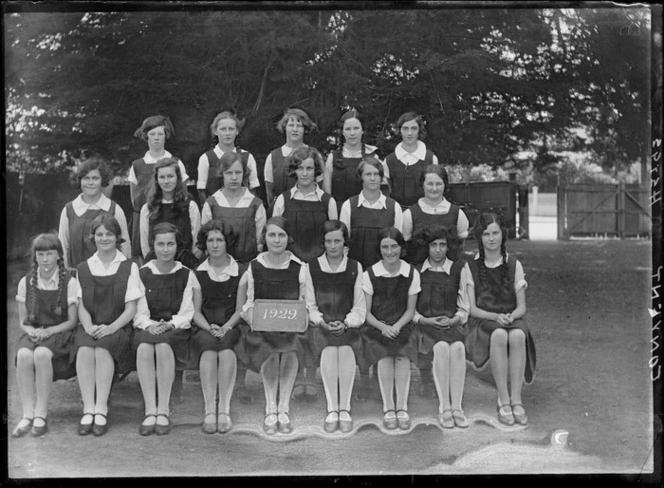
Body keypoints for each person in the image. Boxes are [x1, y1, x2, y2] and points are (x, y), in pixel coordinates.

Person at [462, 212, 536, 426]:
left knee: (517, 336)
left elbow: (522, 307)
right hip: (485, 318)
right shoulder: (471, 267)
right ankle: (503, 399)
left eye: (495, 233)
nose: (491, 238)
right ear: (480, 237)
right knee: (499, 335)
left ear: (502, 235)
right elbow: (472, 308)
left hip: (511, 316)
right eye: (486, 234)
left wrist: (510, 316)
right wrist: (495, 316)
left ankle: (516, 399)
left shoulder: (514, 264)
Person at [75, 213, 142, 436]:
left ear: (117, 237)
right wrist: (87, 326)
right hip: (91, 326)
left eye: (109, 234)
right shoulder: (84, 268)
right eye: (99, 234)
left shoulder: (128, 266)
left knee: (103, 349)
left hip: (118, 327)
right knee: (85, 349)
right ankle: (88, 409)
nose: (104, 238)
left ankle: (101, 409)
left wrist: (111, 327)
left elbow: (131, 309)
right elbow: (81, 305)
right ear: (93, 237)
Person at [240, 217, 308, 435]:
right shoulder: (254, 266)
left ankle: (284, 408)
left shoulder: (299, 267)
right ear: (264, 238)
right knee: (269, 348)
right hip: (264, 328)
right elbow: (248, 302)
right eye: (272, 235)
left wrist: (300, 319)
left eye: (281, 235)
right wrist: (253, 318)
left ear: (288, 239)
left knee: (290, 347)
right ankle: (271, 408)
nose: (277, 240)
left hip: (291, 328)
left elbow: (306, 302)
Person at [133, 222, 197, 436]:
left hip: (176, 330)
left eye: (170, 244)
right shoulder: (142, 273)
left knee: (162, 347)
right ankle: (150, 409)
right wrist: (151, 326)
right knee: (144, 348)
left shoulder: (186, 274)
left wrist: (169, 325)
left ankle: (163, 409)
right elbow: (139, 312)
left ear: (177, 246)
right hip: (148, 327)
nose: (165, 249)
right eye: (160, 244)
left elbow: (188, 311)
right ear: (153, 245)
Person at [12, 233, 78, 437]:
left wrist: (49, 331)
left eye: (50, 254)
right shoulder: (26, 282)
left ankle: (41, 413)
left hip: (59, 333)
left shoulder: (69, 281)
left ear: (58, 255)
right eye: (40, 254)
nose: (45, 259)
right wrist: (32, 331)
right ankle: (27, 414)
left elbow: (72, 321)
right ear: (35, 257)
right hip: (36, 331)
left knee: (41, 355)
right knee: (23, 355)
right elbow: (23, 321)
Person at [305, 220, 366, 433]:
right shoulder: (311, 267)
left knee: (346, 349)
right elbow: (309, 305)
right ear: (323, 243)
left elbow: (360, 306)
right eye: (328, 241)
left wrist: (347, 323)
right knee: (330, 349)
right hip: (321, 326)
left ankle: (345, 408)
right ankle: (332, 408)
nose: (333, 246)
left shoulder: (355, 267)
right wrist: (321, 322)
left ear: (344, 242)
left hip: (348, 326)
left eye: (337, 241)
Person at [361, 227, 420, 430]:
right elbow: (366, 313)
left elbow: (411, 310)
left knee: (402, 354)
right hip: (376, 326)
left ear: (401, 248)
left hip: (402, 323)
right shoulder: (370, 274)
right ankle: (388, 407)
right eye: (385, 247)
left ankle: (401, 407)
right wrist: (383, 327)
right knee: (386, 354)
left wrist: (396, 326)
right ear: (379, 249)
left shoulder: (411, 273)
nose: (390, 252)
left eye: (394, 246)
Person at [192, 220, 248, 434]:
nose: (215, 245)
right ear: (205, 244)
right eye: (210, 240)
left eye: (220, 240)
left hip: (231, 324)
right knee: (208, 349)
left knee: (226, 350)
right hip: (204, 326)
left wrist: (225, 327)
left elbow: (240, 309)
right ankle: (209, 410)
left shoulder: (240, 271)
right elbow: (195, 311)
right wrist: (208, 328)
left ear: (227, 243)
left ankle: (224, 408)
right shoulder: (198, 272)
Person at [414, 225, 469, 428]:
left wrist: (453, 320)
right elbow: (411, 311)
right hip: (425, 328)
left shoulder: (458, 269)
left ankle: (457, 407)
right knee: (441, 348)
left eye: (442, 245)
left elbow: (464, 308)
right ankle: (444, 407)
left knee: (458, 348)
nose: (438, 250)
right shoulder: (417, 271)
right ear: (427, 247)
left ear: (448, 247)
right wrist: (426, 320)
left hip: (450, 326)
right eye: (434, 245)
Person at [129, 115, 189, 262]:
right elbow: (134, 199)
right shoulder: (137, 165)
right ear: (146, 137)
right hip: (146, 220)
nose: (156, 138)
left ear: (166, 136)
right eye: (152, 134)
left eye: (160, 134)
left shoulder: (176, 163)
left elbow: (183, 195)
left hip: (172, 218)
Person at [58, 157, 131, 269]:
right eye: (86, 178)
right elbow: (62, 246)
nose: (91, 183)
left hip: (109, 276)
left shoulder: (114, 209)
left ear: (102, 180)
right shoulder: (69, 210)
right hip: (76, 276)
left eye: (95, 178)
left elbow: (124, 246)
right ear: (79, 180)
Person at [272, 145, 338, 262]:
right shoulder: (283, 200)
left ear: (316, 170)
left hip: (319, 265)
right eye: (300, 168)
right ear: (294, 170)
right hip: (289, 264)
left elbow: (334, 237)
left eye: (309, 168)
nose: (304, 173)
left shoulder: (328, 202)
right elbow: (275, 235)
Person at [339, 156, 403, 271]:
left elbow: (398, 245)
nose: (373, 178)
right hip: (355, 271)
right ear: (361, 177)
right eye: (368, 174)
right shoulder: (348, 206)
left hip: (384, 273)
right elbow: (343, 245)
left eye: (376, 174)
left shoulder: (394, 207)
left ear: (381, 177)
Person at [201, 152, 266, 264]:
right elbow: (206, 239)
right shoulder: (212, 203)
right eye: (229, 173)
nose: (234, 178)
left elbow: (260, 242)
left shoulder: (255, 204)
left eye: (238, 172)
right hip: (219, 267)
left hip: (247, 266)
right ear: (221, 174)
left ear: (244, 173)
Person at [139, 157, 202, 269]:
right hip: (156, 267)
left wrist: (189, 265)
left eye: (170, 176)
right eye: (162, 177)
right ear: (156, 180)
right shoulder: (148, 208)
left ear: (178, 178)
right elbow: (145, 244)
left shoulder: (190, 206)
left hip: (184, 267)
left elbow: (197, 242)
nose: (166, 181)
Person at [402, 164, 469, 265]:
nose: (434, 188)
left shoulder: (457, 214)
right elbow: (404, 249)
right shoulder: (409, 215)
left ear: (445, 185)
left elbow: (460, 249)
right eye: (430, 184)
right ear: (422, 184)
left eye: (438, 184)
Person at [196, 110, 261, 202]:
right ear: (215, 131)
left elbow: (253, 188)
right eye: (223, 129)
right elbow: (202, 191)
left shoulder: (247, 157)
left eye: (231, 129)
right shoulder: (206, 158)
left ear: (237, 131)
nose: (227, 133)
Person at [322, 109, 383, 204]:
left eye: (356, 128)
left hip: (365, 212)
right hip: (338, 213)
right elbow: (327, 194)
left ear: (362, 130)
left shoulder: (373, 157)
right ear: (342, 132)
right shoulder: (332, 158)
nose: (352, 133)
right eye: (348, 129)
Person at [264, 107, 318, 208]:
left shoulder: (314, 155)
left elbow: (321, 187)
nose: (295, 129)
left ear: (305, 129)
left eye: (299, 126)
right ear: (285, 127)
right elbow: (269, 192)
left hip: (308, 209)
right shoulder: (273, 156)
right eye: (291, 125)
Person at [384, 112, 438, 209]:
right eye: (405, 128)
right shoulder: (389, 161)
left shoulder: (431, 159)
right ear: (399, 130)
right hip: (398, 215)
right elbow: (388, 190)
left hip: (425, 213)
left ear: (419, 130)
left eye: (413, 128)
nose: (409, 133)